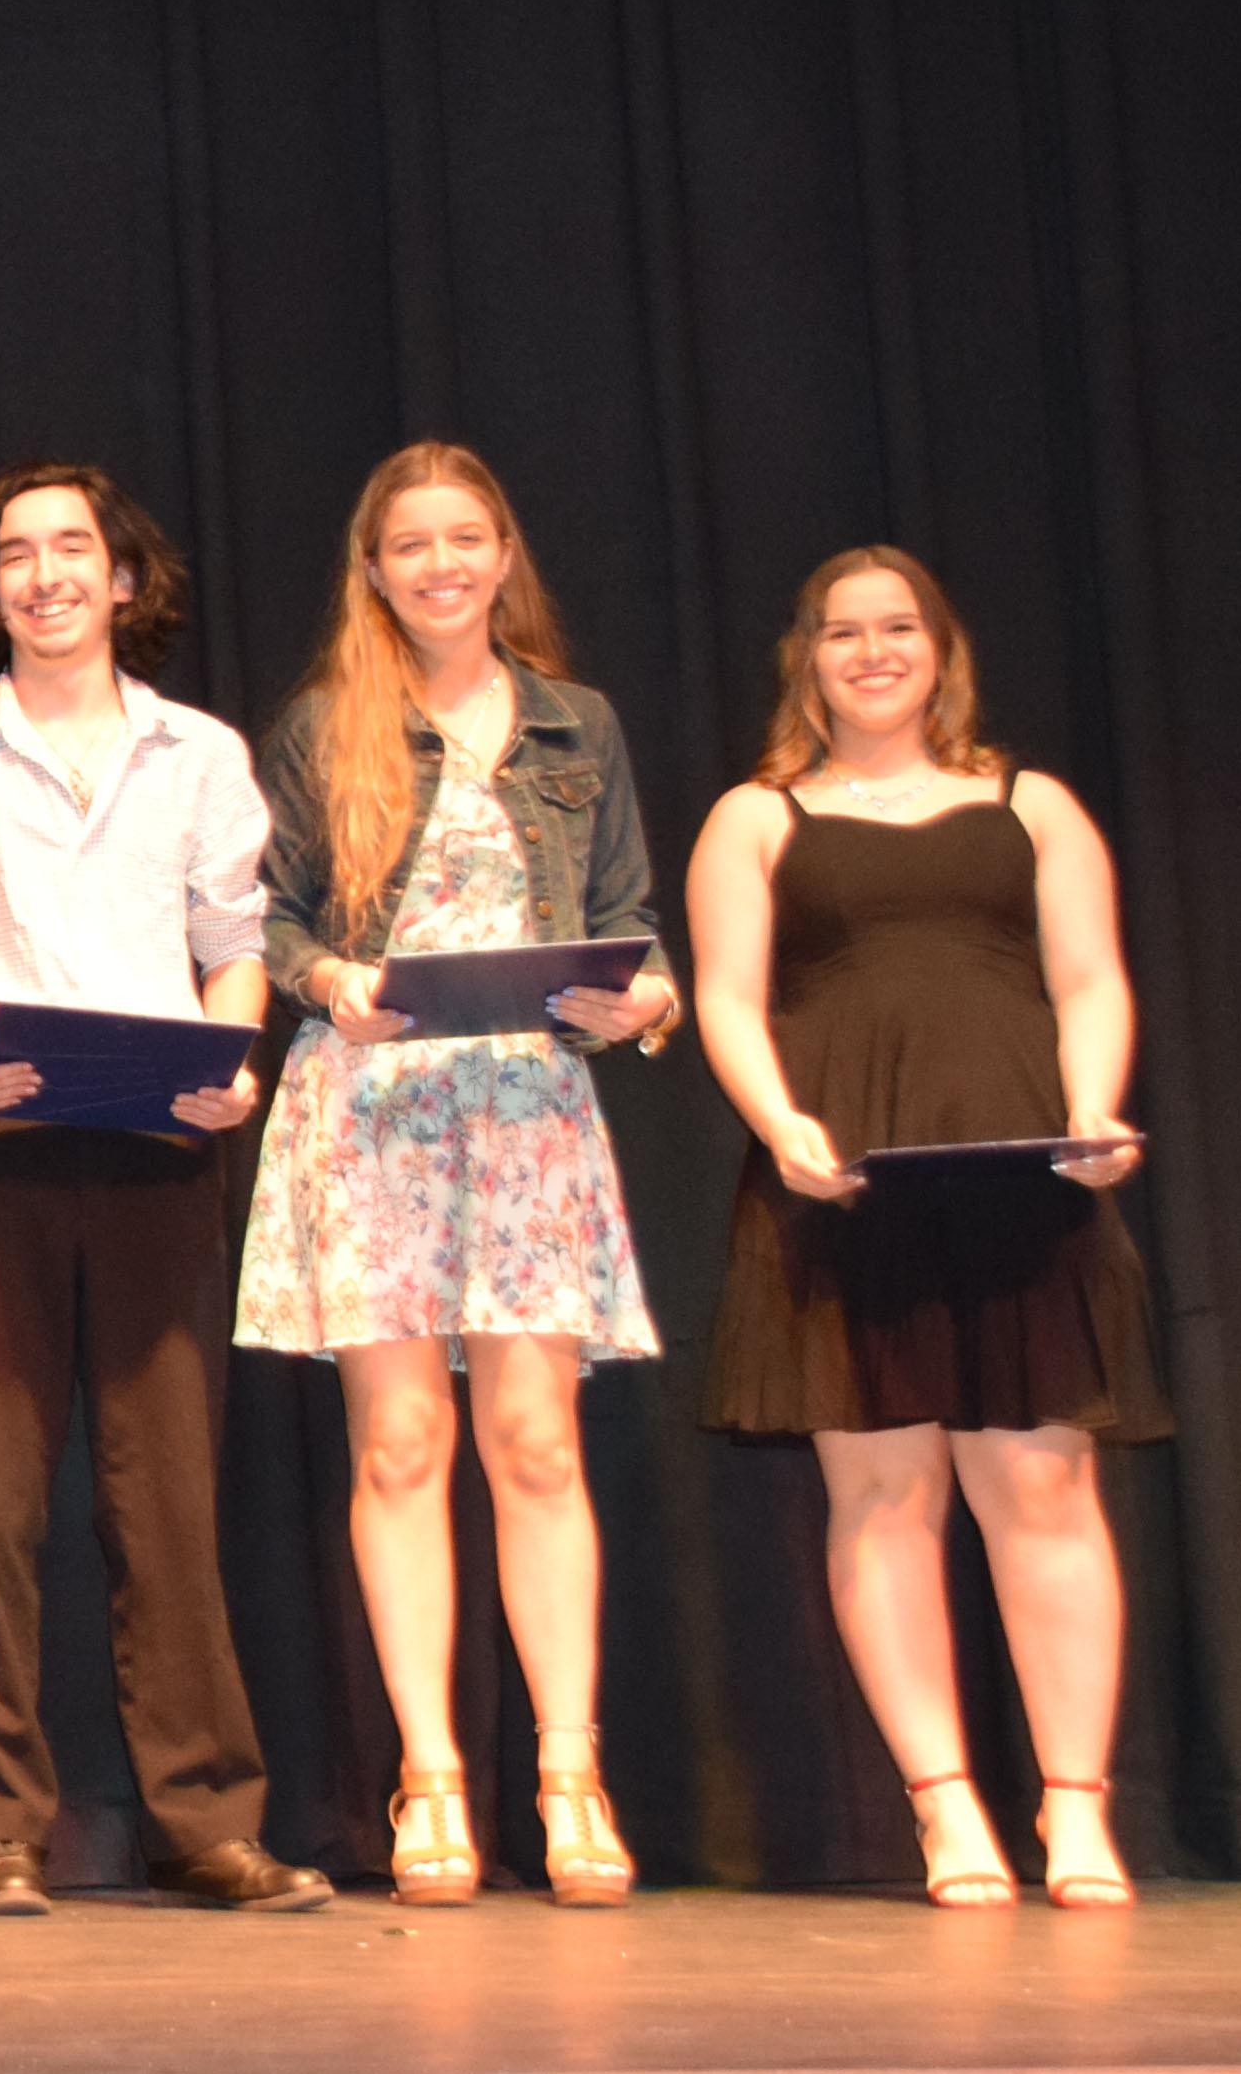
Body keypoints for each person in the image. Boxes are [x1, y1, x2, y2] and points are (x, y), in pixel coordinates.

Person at [0, 461, 325, 1914]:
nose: (45, 574)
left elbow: (233, 941)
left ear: (124, 581)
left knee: (166, 1501)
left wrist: (234, 1057)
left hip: (156, 1145)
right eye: (16, 553)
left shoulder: (201, 754)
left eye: (72, 548)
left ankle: (207, 1823)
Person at [687, 544, 1162, 1912]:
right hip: (845, 1183)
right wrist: (783, 1127)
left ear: (941, 649)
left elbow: (1089, 976)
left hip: (1019, 1172)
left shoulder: (1031, 804)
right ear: (807, 658)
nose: (873, 652)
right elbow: (727, 996)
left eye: (898, 628)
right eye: (844, 632)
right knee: (886, 1494)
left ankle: (1076, 1806)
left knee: (1044, 1485)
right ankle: (945, 1806)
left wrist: (1091, 1111)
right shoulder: (757, 816)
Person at [237, 442, 677, 1908]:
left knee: (538, 1445)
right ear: (373, 570)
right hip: (375, 1105)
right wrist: (329, 980)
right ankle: (428, 1774)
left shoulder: (575, 723)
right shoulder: (324, 726)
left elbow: (628, 918)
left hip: (528, 1108)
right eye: (412, 544)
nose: (441, 565)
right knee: (401, 1446)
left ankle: (569, 1774)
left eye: (465, 538)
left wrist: (644, 998)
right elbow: (273, 919)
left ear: (503, 556)